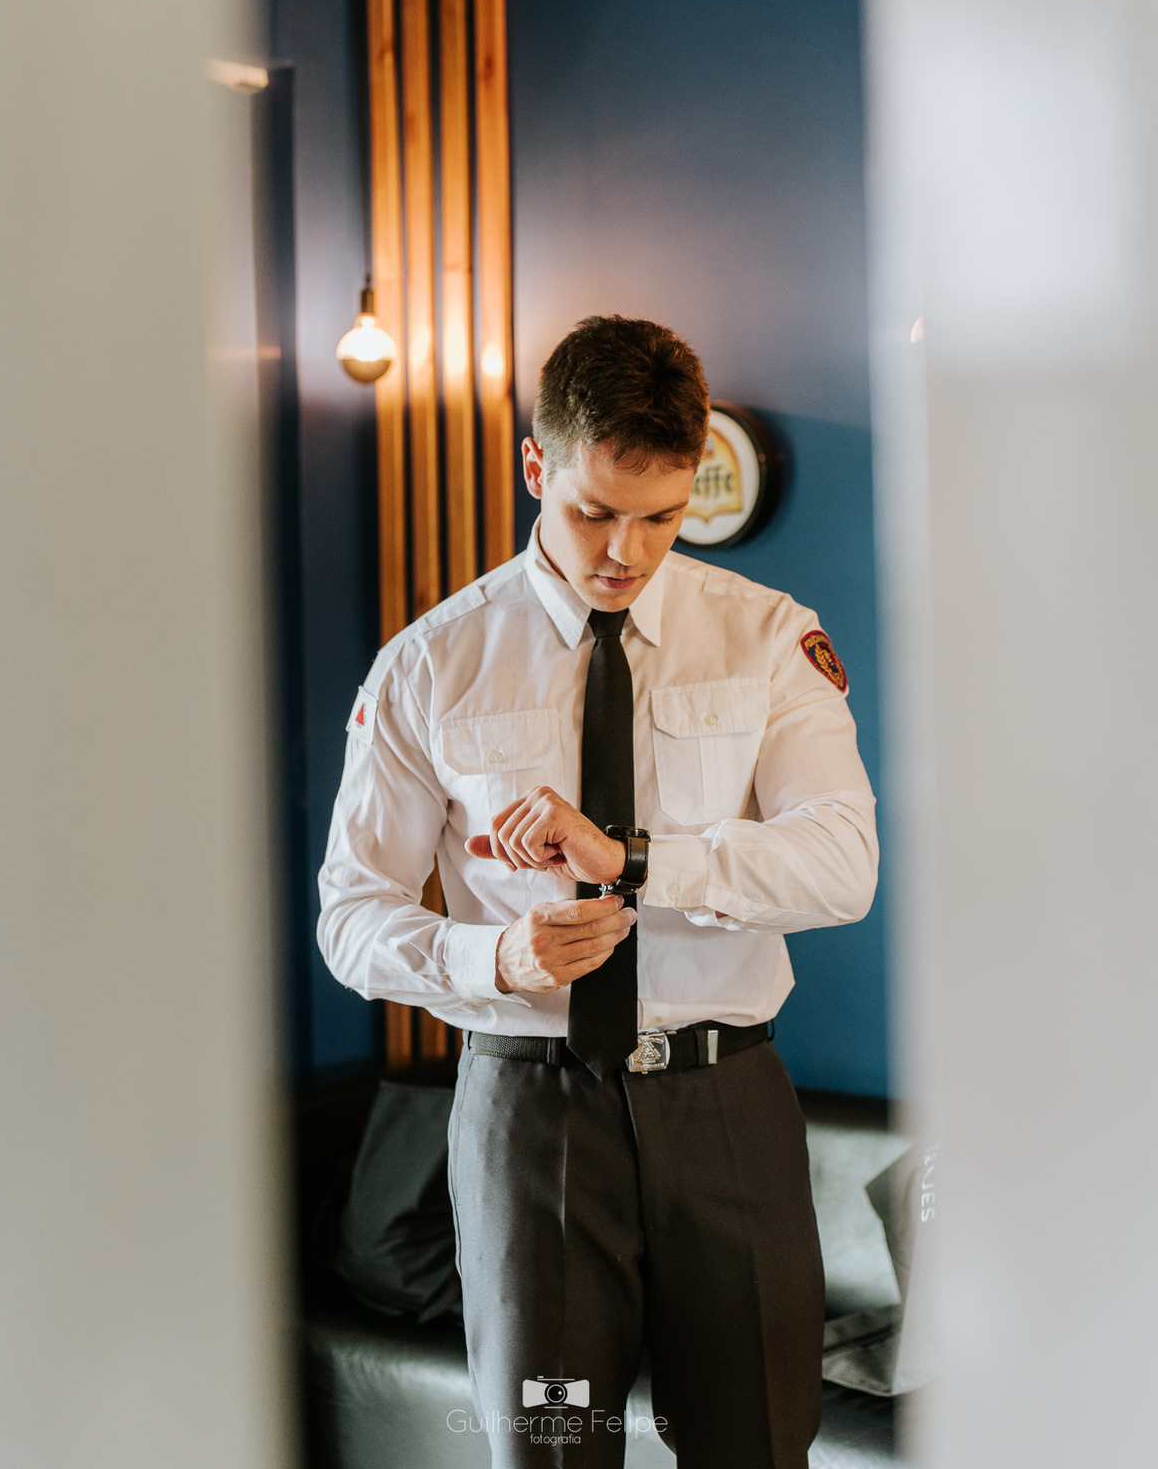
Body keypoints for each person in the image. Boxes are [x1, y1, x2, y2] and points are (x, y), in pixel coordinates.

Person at [318, 315, 878, 1468]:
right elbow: (352, 917)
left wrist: (633, 858)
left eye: (661, 516)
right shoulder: (430, 664)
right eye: (595, 511)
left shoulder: (770, 639)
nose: (627, 551)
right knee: (553, 1445)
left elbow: (841, 866)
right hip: (531, 1124)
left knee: (756, 1448)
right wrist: (494, 959)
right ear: (537, 466)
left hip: (726, 1110)